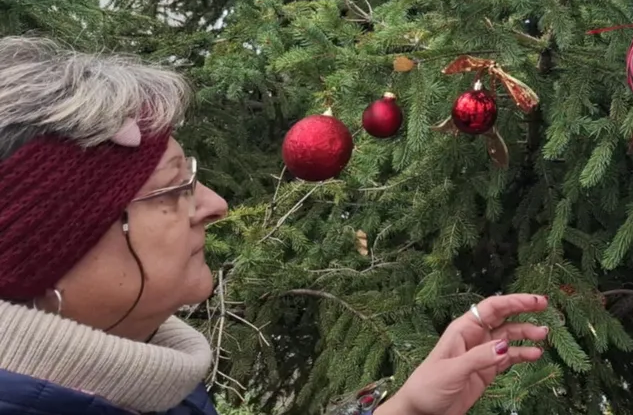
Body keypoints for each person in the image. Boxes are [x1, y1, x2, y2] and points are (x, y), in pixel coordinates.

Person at [0, 37, 548, 415]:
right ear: (44, 247)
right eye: (174, 187)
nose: (214, 204)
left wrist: (404, 407)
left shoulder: (145, 382)